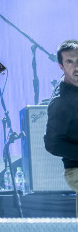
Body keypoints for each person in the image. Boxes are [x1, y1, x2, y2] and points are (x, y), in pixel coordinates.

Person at [44, 39, 78, 217]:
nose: (76, 67)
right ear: (61, 66)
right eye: (70, 62)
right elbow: (52, 144)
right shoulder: (61, 102)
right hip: (76, 170)